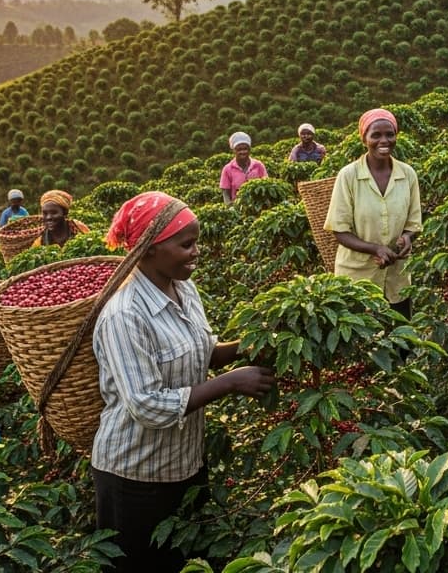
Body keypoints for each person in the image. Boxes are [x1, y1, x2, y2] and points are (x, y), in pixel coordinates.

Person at [93, 191, 275, 573]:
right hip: (134, 478)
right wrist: (230, 383)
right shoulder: (124, 316)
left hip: (185, 463)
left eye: (197, 242)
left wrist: (250, 346)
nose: (196, 253)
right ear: (149, 250)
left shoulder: (184, 287)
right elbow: (146, 405)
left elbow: (202, 350)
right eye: (186, 244)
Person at [325, 108, 423, 318]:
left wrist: (407, 237)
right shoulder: (348, 176)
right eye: (376, 135)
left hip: (397, 275)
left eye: (390, 134)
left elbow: (414, 223)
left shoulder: (407, 174)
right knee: (363, 342)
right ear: (364, 139)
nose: (384, 141)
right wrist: (375, 249)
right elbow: (339, 230)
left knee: (401, 341)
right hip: (357, 277)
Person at [219, 131, 267, 205]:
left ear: (249, 149)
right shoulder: (227, 169)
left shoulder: (258, 165)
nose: (243, 152)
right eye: (239, 149)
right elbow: (226, 194)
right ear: (234, 151)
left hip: (258, 206)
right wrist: (230, 207)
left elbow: (266, 185)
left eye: (245, 149)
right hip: (237, 207)